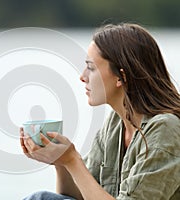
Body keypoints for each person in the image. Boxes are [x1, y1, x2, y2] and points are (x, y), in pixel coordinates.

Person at [20, 23, 180, 200]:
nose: (82, 77)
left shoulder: (165, 129)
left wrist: (72, 160)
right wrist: (60, 162)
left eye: (91, 68)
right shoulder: (115, 123)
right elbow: (82, 195)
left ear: (122, 77)